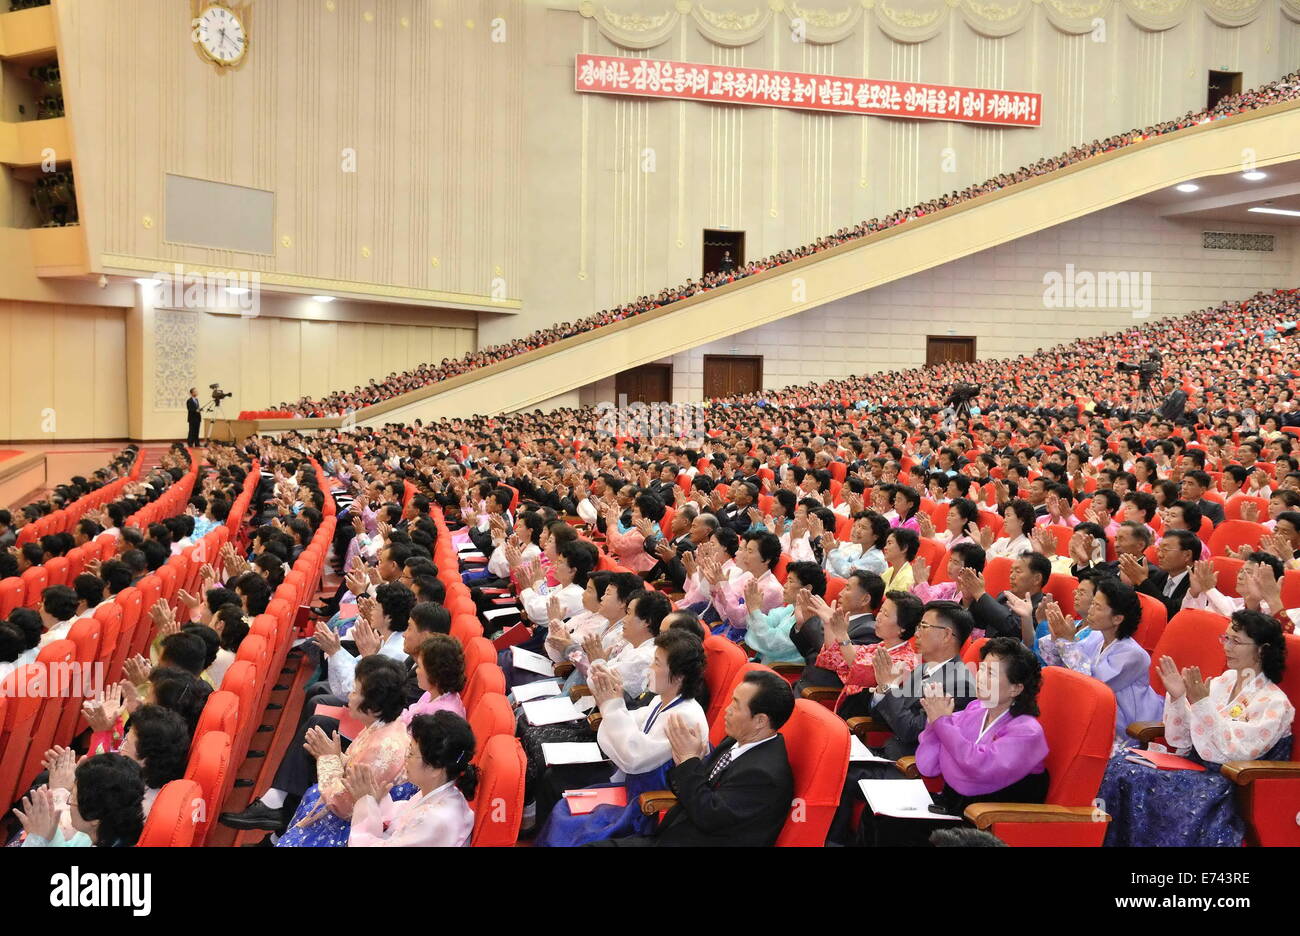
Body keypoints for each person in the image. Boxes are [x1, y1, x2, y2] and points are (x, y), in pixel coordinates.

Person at [1097, 609, 1294, 846]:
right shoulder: (1225, 681)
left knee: (1141, 780)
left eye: (1236, 641)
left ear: (1262, 649)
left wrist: (1202, 704)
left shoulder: (1274, 702)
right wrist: (1179, 697)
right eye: (1226, 638)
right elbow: (1184, 739)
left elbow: (1235, 752)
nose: (1227, 647)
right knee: (1118, 765)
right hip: (1198, 765)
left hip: (1231, 783)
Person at [858, 637, 1050, 846]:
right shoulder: (976, 710)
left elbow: (976, 767)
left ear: (1016, 688)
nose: (980, 678)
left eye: (990, 673)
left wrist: (942, 724)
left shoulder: (1027, 732)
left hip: (985, 825)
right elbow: (929, 765)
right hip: (954, 808)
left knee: (894, 829)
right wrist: (934, 722)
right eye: (981, 668)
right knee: (877, 813)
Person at [535, 628, 711, 844]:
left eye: (656, 663)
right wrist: (611, 699)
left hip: (648, 807)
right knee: (560, 792)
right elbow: (628, 725)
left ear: (679, 676)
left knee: (571, 820)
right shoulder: (661, 700)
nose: (650, 668)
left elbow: (634, 757)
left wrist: (613, 705)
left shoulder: (685, 718)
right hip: (631, 788)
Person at [827, 600, 978, 845]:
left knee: (841, 773)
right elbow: (885, 718)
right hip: (890, 754)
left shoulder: (958, 682)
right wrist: (881, 689)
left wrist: (887, 689)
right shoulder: (924, 668)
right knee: (835, 757)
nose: (916, 633)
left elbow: (913, 731)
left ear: (947, 635)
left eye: (924, 627)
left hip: (913, 768)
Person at [590, 669, 795, 847]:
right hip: (675, 834)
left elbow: (708, 815)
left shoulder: (763, 775)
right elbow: (698, 788)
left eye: (736, 705)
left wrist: (688, 761)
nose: (727, 710)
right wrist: (686, 760)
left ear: (760, 721)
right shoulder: (737, 740)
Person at [275, 656, 410, 847]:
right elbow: (355, 772)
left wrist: (328, 759)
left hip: (351, 829)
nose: (349, 695)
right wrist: (337, 756)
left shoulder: (383, 748)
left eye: (355, 691)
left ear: (373, 707)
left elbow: (344, 805)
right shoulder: (382, 726)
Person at [1037, 576, 1163, 752]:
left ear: (1117, 619)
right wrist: (1058, 637)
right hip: (1095, 713)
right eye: (1092, 604)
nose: (1090, 611)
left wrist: (1067, 642)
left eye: (1097, 607)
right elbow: (1063, 664)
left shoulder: (1133, 654)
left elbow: (1093, 684)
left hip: (1127, 728)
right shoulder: (1097, 637)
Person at [345, 711, 477, 847]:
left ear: (436, 769)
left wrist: (364, 803)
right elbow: (401, 818)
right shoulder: (442, 793)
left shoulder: (434, 819)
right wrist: (376, 800)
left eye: (411, 753)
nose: (405, 758)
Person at [15, 753, 145, 847]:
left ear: (94, 819)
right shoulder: (99, 833)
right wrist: (49, 833)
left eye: (72, 797)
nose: (68, 804)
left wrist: (37, 840)